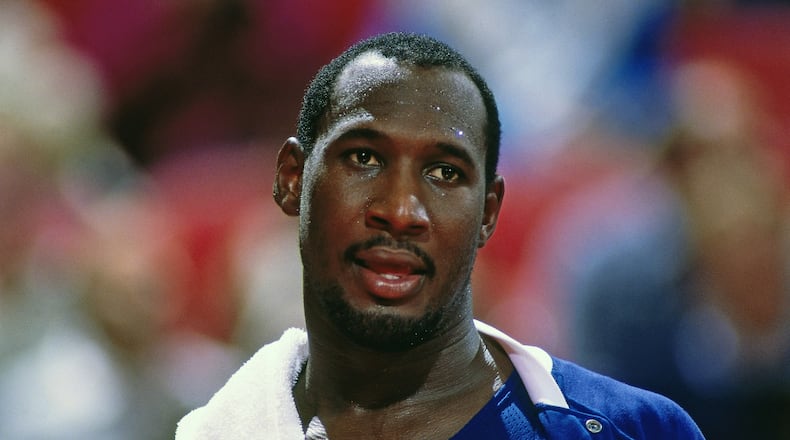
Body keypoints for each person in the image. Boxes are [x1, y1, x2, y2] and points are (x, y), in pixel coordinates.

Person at [175, 32, 704, 439]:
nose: (402, 210)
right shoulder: (212, 430)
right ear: (292, 179)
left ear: (488, 214)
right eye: (364, 158)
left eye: (445, 173)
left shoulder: (636, 430)